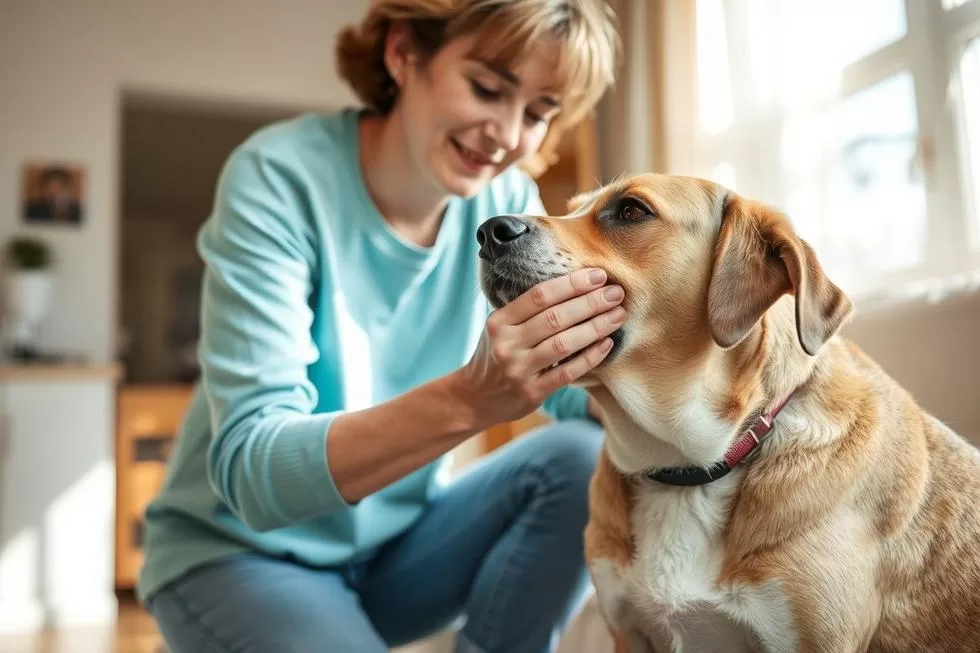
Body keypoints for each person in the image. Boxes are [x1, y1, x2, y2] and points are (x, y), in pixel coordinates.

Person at [138, 1, 623, 651]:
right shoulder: (279, 179)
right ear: (403, 53)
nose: (508, 136)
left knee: (577, 457)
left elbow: (572, 383)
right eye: (486, 89)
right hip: (237, 553)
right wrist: (475, 396)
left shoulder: (505, 200)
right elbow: (252, 471)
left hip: (395, 549)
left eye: (538, 113)